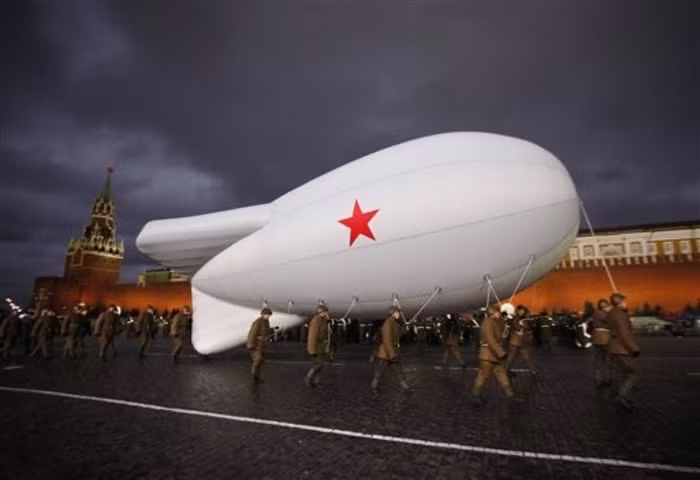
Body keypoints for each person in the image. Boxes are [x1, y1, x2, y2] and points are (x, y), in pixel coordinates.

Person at [470, 305, 514, 404]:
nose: (499, 314)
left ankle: (510, 394)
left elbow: (502, 328)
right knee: (483, 376)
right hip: (488, 354)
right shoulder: (487, 323)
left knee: (501, 373)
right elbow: (491, 340)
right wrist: (501, 353)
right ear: (493, 313)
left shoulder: (494, 321)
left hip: (494, 354)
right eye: (498, 312)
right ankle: (475, 395)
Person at [607, 293, 640, 410]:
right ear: (620, 302)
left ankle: (625, 396)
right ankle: (622, 395)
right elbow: (624, 333)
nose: (626, 303)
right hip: (622, 348)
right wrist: (634, 348)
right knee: (632, 373)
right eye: (624, 301)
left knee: (622, 373)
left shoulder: (612, 313)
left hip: (614, 347)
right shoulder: (620, 314)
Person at [371, 306, 411, 393]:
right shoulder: (388, 323)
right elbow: (387, 340)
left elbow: (398, 334)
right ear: (393, 313)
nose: (399, 314)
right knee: (380, 371)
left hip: (391, 351)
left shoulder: (394, 323)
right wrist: (392, 354)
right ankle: (374, 386)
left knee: (398, 371)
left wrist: (405, 329)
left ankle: (406, 388)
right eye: (397, 313)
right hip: (386, 353)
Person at [505, 304, 537, 376]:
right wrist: (522, 325)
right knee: (511, 357)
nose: (522, 312)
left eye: (523, 310)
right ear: (518, 310)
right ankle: (506, 370)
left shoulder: (523, 318)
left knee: (526, 356)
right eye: (521, 310)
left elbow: (527, 326)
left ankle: (533, 370)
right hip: (515, 341)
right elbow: (516, 326)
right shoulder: (516, 318)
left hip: (521, 341)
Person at [305, 305, 331, 387]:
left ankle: (316, 382)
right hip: (316, 347)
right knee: (320, 364)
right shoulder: (316, 320)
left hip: (321, 346)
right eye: (325, 312)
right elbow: (312, 336)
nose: (327, 313)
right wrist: (312, 350)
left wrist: (328, 319)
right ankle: (308, 377)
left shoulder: (323, 320)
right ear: (321, 312)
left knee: (320, 365)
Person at [246, 307, 274, 384]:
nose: (268, 316)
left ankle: (257, 377)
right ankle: (254, 378)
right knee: (257, 360)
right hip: (256, 344)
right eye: (267, 315)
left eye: (269, 315)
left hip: (261, 344)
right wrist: (250, 345)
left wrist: (273, 330)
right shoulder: (258, 322)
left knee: (260, 361)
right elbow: (252, 333)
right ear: (263, 314)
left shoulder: (266, 322)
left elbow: (266, 331)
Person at [592, 299, 613, 391]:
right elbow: (609, 321)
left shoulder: (596, 313)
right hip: (604, 338)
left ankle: (600, 378)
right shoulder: (601, 313)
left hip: (597, 338)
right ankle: (605, 378)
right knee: (606, 359)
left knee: (599, 360)